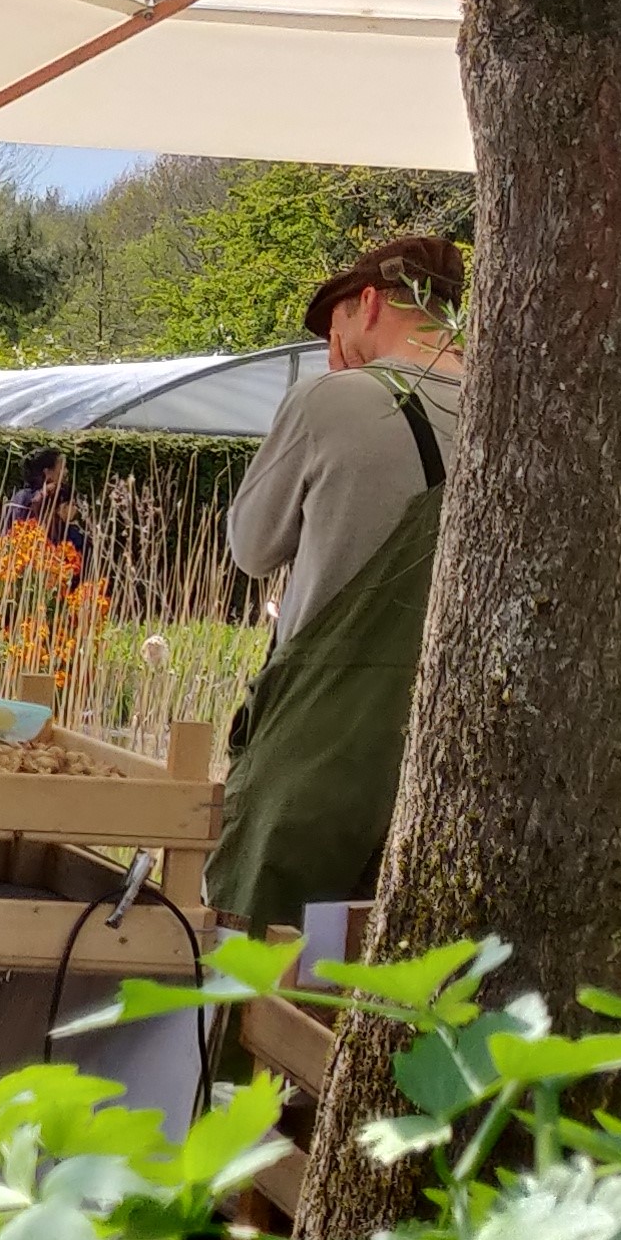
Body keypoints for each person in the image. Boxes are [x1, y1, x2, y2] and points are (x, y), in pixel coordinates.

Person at [204, 231, 471, 931]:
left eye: (336, 325)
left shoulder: (333, 398)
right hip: (448, 767)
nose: (333, 346)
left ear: (371, 301)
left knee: (258, 986)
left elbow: (252, 547)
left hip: (317, 762)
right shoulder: (514, 413)